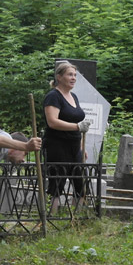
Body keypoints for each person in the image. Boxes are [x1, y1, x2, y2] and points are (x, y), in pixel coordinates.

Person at [43, 61, 90, 207]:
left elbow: (79, 125)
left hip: (74, 145)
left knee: (80, 182)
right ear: (59, 77)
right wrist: (76, 127)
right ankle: (53, 216)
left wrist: (82, 146)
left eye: (75, 75)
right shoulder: (53, 96)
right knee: (57, 182)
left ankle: (77, 218)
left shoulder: (73, 96)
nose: (73, 78)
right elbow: (52, 122)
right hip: (57, 145)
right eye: (70, 74)